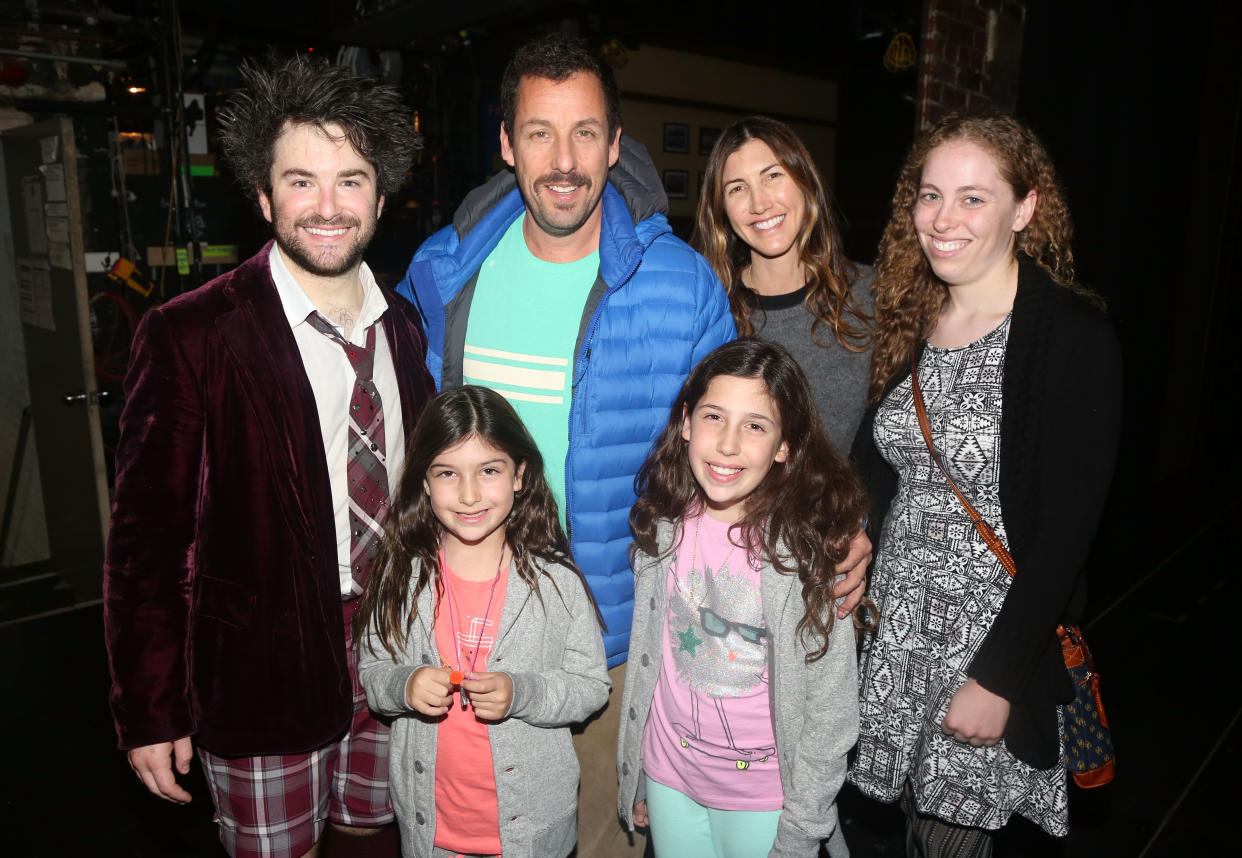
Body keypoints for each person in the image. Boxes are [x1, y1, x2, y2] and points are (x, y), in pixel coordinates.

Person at [399, 35, 870, 853]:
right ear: (506, 144)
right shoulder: (443, 274)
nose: (564, 159)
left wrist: (831, 526)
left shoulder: (680, 283)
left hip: (615, 643)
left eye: (586, 132)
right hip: (463, 636)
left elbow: (740, 447)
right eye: (539, 132)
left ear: (616, 146)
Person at [102, 55, 436, 858]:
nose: (327, 207)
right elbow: (146, 544)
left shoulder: (407, 328)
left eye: (350, 180)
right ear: (262, 195)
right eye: (300, 181)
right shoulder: (190, 334)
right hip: (260, 668)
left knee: (374, 837)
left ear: (381, 198)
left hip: (399, 647)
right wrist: (151, 708)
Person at [847, 113, 1122, 854]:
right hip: (894, 634)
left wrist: (999, 677)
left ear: (1025, 208)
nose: (943, 218)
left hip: (985, 647)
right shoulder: (913, 314)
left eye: (973, 198)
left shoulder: (1070, 334)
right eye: (930, 195)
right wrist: (854, 539)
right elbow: (884, 462)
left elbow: (1069, 530)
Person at [617, 339, 868, 858]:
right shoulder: (661, 531)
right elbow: (650, 669)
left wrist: (802, 830)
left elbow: (831, 711)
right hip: (671, 777)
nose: (728, 444)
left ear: (785, 446)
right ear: (686, 423)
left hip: (764, 799)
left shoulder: (808, 554)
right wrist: (642, 775)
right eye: (714, 417)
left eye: (755, 425)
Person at [356, 385, 610, 857]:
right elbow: (372, 671)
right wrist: (404, 685)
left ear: (519, 475)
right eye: (448, 473)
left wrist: (522, 693)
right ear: (425, 482)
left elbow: (591, 686)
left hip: (532, 835)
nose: (469, 494)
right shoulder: (400, 574)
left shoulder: (557, 583)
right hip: (430, 834)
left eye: (489, 470)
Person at [694, 115, 874, 452]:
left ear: (805, 183)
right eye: (737, 188)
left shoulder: (869, 296)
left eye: (773, 176)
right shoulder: (709, 313)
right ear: (722, 211)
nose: (759, 203)